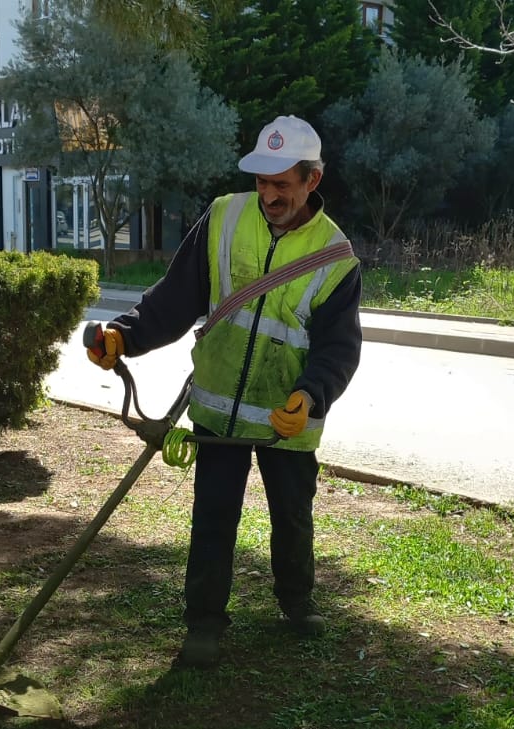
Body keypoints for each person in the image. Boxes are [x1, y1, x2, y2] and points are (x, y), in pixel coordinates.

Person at [86, 115, 362, 669]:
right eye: (262, 181)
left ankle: (296, 601)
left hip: (288, 416)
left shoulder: (336, 258)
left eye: (282, 183)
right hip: (219, 411)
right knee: (213, 518)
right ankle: (204, 625)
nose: (268, 194)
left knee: (292, 515)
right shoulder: (224, 217)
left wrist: (310, 397)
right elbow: (175, 298)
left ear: (312, 180)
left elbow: (339, 349)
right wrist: (127, 334)